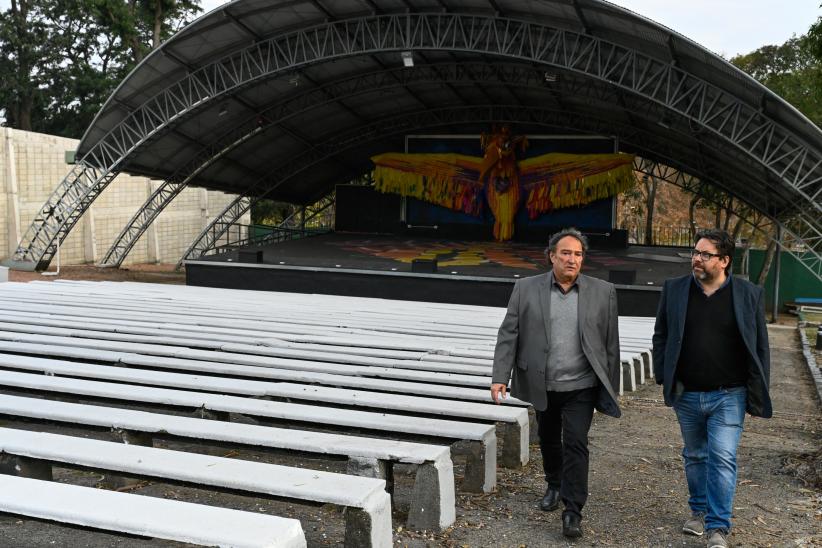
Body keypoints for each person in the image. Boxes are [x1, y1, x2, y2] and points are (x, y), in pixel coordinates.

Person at [490, 227, 621, 539]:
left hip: (582, 386)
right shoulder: (526, 289)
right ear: (551, 256)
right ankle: (553, 482)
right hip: (543, 383)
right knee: (549, 439)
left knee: (576, 442)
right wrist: (500, 377)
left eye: (577, 254)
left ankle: (573, 510)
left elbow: (610, 344)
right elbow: (509, 333)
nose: (571, 259)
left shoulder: (603, 292)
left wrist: (610, 387)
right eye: (565, 253)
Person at [653, 229, 771, 548]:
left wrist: (760, 387)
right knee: (695, 455)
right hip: (686, 393)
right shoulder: (674, 289)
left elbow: (760, 345)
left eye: (705, 254)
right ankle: (699, 511)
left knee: (722, 455)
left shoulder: (748, 294)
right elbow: (661, 333)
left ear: (724, 261)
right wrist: (662, 373)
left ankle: (718, 526)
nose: (697, 258)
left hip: (729, 394)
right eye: (695, 252)